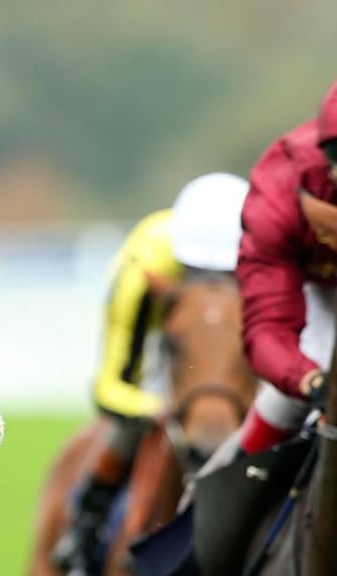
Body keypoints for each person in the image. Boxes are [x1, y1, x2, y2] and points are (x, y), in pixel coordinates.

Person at [50, 172, 251, 574]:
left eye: (227, 276)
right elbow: (112, 384)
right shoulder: (145, 263)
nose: (212, 285)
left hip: (235, 351)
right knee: (128, 429)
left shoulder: (268, 254)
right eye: (196, 271)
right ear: (180, 259)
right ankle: (83, 533)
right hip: (167, 353)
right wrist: (157, 407)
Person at [235, 79, 337, 457]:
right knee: (283, 404)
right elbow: (269, 326)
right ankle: (210, 508)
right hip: (318, 294)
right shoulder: (281, 193)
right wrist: (309, 380)